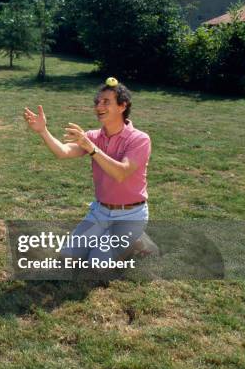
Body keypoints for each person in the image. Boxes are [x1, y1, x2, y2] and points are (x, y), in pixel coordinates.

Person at [23, 78, 150, 266]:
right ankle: (112, 238)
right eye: (97, 102)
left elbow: (121, 173)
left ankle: (137, 240)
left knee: (97, 265)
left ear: (123, 106)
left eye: (106, 102)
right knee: (68, 257)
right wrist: (43, 131)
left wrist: (91, 147)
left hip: (130, 215)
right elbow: (63, 152)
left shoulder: (139, 139)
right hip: (100, 211)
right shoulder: (92, 137)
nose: (99, 106)